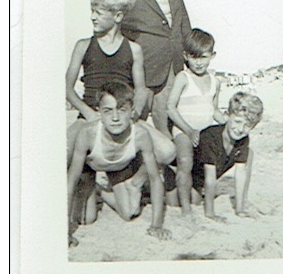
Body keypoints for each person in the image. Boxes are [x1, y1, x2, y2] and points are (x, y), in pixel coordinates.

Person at [66, 0, 176, 172]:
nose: (93, 17)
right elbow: (67, 88)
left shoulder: (133, 49)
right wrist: (89, 113)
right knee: (62, 153)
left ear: (117, 17)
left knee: (167, 151)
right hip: (90, 114)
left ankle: (134, 183)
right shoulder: (83, 46)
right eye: (92, 12)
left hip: (122, 116)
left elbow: (141, 89)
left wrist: (134, 112)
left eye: (98, 13)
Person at [103, 0, 192, 137]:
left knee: (167, 125)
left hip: (173, 65)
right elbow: (107, 27)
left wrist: (191, 57)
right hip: (138, 67)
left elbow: (183, 23)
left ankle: (165, 168)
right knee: (134, 123)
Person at [66, 79, 171, 246]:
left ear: (132, 111)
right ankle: (90, 187)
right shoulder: (88, 134)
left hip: (119, 168)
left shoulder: (141, 135)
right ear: (99, 111)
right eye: (108, 111)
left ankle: (103, 191)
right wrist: (65, 232)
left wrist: (156, 225)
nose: (115, 118)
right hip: (90, 167)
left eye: (121, 110)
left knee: (130, 212)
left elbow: (155, 178)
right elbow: (71, 179)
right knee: (86, 219)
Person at [166, 90, 263, 220]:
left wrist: (240, 210)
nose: (240, 129)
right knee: (174, 200)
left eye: (248, 126)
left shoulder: (243, 139)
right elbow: (210, 179)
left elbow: (240, 174)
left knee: (196, 200)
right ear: (227, 116)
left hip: (198, 181)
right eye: (238, 122)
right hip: (184, 172)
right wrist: (210, 213)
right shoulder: (211, 137)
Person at [166, 28, 226, 215]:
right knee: (185, 161)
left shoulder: (215, 81)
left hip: (205, 131)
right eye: (193, 57)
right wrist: (189, 130)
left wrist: (226, 122)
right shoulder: (183, 78)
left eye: (203, 57)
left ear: (212, 55)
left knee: (207, 169)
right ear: (185, 56)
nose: (198, 63)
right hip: (184, 130)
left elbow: (213, 109)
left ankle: (191, 193)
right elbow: (171, 107)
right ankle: (185, 211)